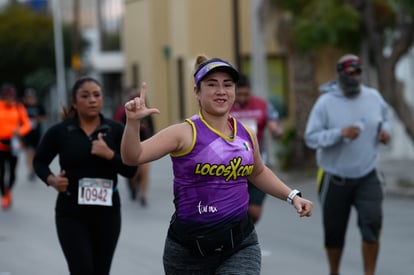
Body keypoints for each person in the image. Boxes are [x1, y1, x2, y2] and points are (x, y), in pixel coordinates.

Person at [121, 54, 313, 274]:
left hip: (240, 246)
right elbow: (132, 157)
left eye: (227, 84)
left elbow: (258, 171)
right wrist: (133, 123)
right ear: (197, 92)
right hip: (187, 252)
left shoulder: (246, 135)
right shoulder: (184, 133)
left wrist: (293, 196)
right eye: (212, 85)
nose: (221, 91)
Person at [32, 76, 137, 275]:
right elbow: (39, 161)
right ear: (74, 101)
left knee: (101, 271)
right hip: (71, 212)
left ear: (102, 99)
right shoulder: (61, 131)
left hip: (107, 214)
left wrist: (110, 155)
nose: (92, 100)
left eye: (97, 95)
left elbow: (131, 170)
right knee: (81, 270)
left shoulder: (115, 130)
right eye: (85, 96)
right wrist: (52, 180)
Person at [304, 54, 391, 275]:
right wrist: (338, 133)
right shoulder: (325, 103)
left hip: (367, 174)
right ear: (340, 74)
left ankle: (369, 273)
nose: (353, 77)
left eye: (357, 72)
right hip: (335, 176)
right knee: (334, 232)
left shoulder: (373, 97)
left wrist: (385, 133)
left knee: (372, 224)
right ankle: (334, 271)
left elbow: (385, 119)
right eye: (348, 73)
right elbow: (311, 137)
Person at [230, 74, 283, 223]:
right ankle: (238, 239)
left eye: (246, 94)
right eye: (239, 94)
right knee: (233, 209)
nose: (242, 98)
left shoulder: (262, 105)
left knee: (254, 212)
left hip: (257, 164)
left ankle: (242, 234)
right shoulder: (225, 106)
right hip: (231, 166)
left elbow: (275, 125)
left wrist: (276, 131)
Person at [114, 86, 155, 206]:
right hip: (131, 147)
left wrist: (146, 130)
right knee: (133, 172)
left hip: (145, 145)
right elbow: (122, 130)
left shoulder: (147, 114)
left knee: (145, 171)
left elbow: (152, 130)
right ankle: (132, 188)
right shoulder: (125, 113)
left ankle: (143, 194)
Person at [0, 83, 32, 209]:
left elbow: (27, 125)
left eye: (11, 97)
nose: (9, 99)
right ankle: (5, 196)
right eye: (6, 97)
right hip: (1, 145)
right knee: (1, 172)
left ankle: (8, 190)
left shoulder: (19, 107)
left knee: (13, 173)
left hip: (14, 144)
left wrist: (19, 131)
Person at [22, 88, 47, 181]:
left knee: (36, 152)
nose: (30, 99)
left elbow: (45, 117)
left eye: (32, 97)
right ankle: (30, 170)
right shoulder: (23, 107)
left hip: (37, 133)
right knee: (29, 152)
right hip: (27, 133)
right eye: (28, 97)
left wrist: (37, 119)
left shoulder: (39, 106)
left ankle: (34, 168)